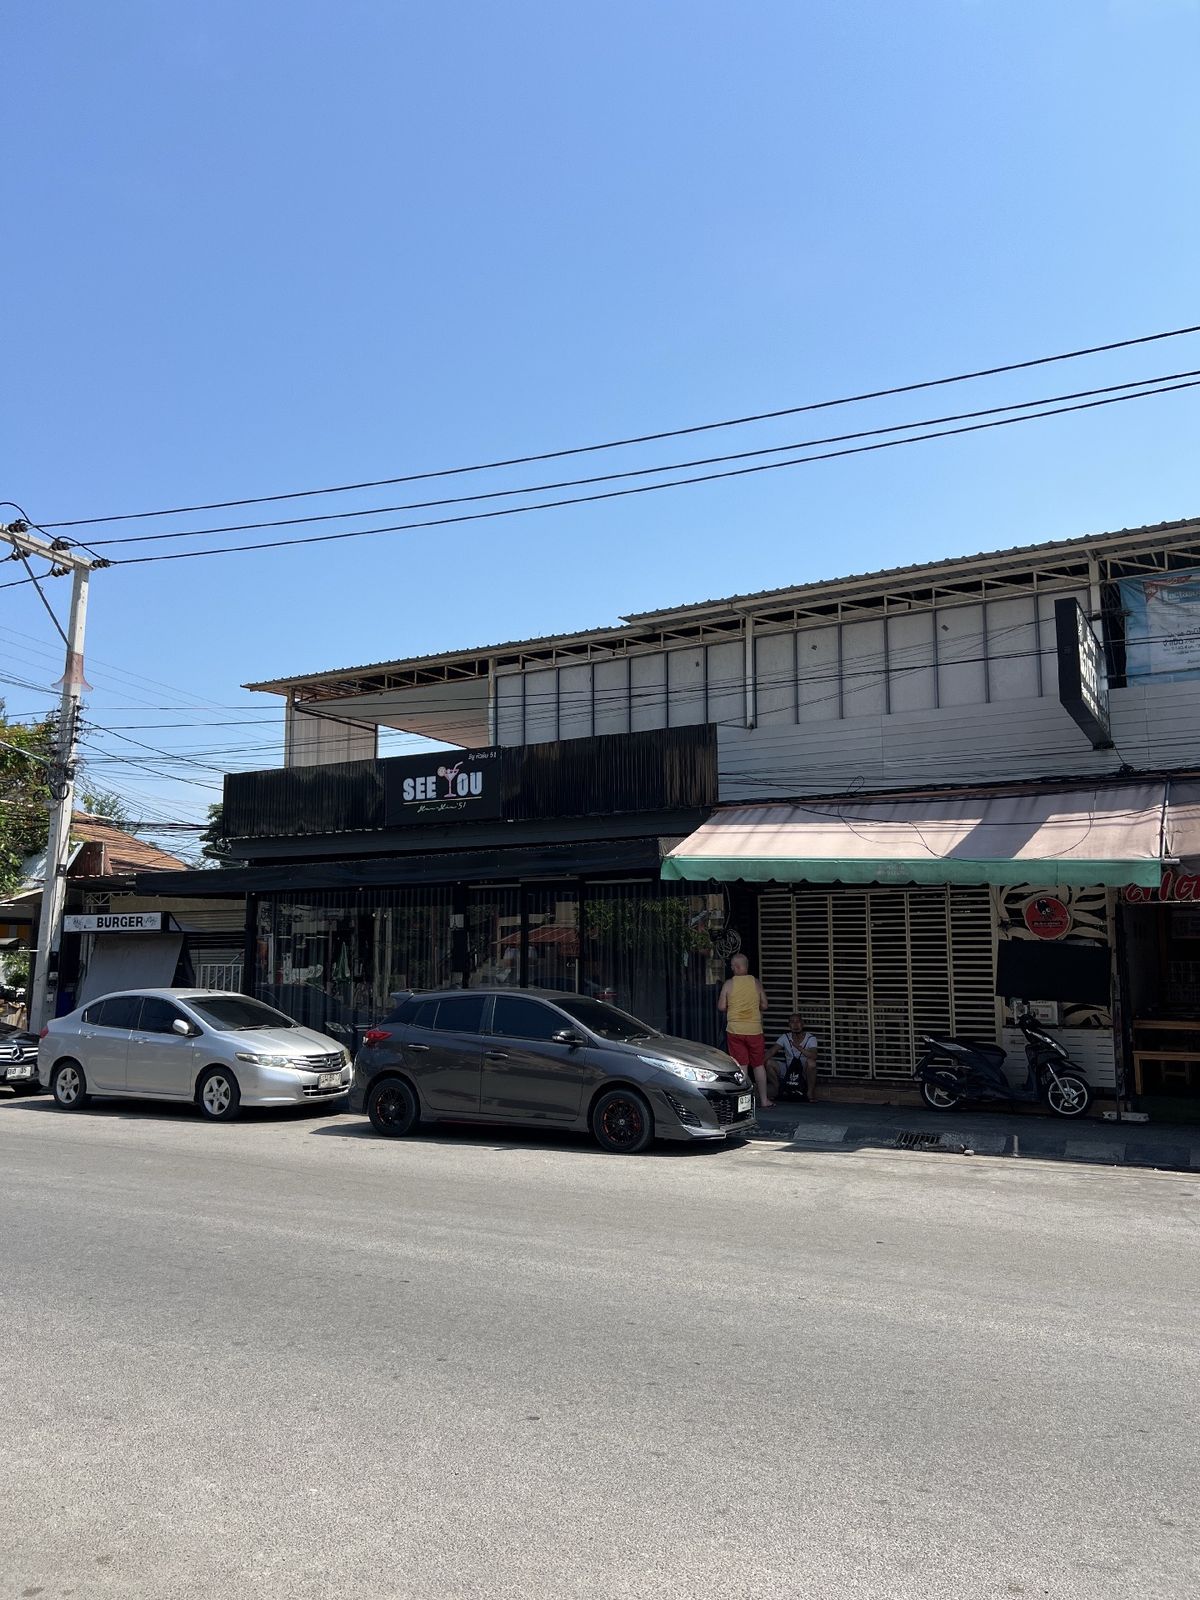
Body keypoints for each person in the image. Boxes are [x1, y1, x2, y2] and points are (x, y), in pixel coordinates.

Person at [718, 955, 772, 1107]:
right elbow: (765, 1005)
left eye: (732, 966)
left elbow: (721, 1007)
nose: (731, 968)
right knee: (758, 1065)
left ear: (736, 967)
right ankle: (764, 1100)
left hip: (735, 1030)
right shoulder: (756, 983)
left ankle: (744, 1103)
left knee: (742, 1065)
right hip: (754, 1030)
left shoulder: (729, 984)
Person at [768, 1015, 819, 1102]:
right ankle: (779, 1090)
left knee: (811, 1063)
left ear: (802, 1024)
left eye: (798, 1021)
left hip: (803, 1071)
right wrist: (757, 1065)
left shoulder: (811, 1038)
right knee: (768, 1062)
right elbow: (771, 1051)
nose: (795, 1025)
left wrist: (800, 1048)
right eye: (792, 1022)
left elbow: (814, 1056)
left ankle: (810, 1093)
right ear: (789, 1025)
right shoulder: (785, 1037)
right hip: (789, 1070)